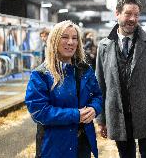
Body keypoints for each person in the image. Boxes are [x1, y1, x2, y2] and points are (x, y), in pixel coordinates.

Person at [95, 0, 146, 158]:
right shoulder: (104, 45)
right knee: (125, 155)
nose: (133, 19)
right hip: (117, 113)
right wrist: (101, 118)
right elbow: (100, 84)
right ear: (117, 14)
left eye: (136, 15)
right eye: (128, 14)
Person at [25, 20, 102, 158]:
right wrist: (76, 115)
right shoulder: (41, 74)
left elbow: (97, 95)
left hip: (83, 144)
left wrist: (94, 108)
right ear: (54, 40)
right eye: (65, 37)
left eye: (74, 38)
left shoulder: (85, 70)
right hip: (55, 146)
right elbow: (39, 111)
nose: (70, 42)